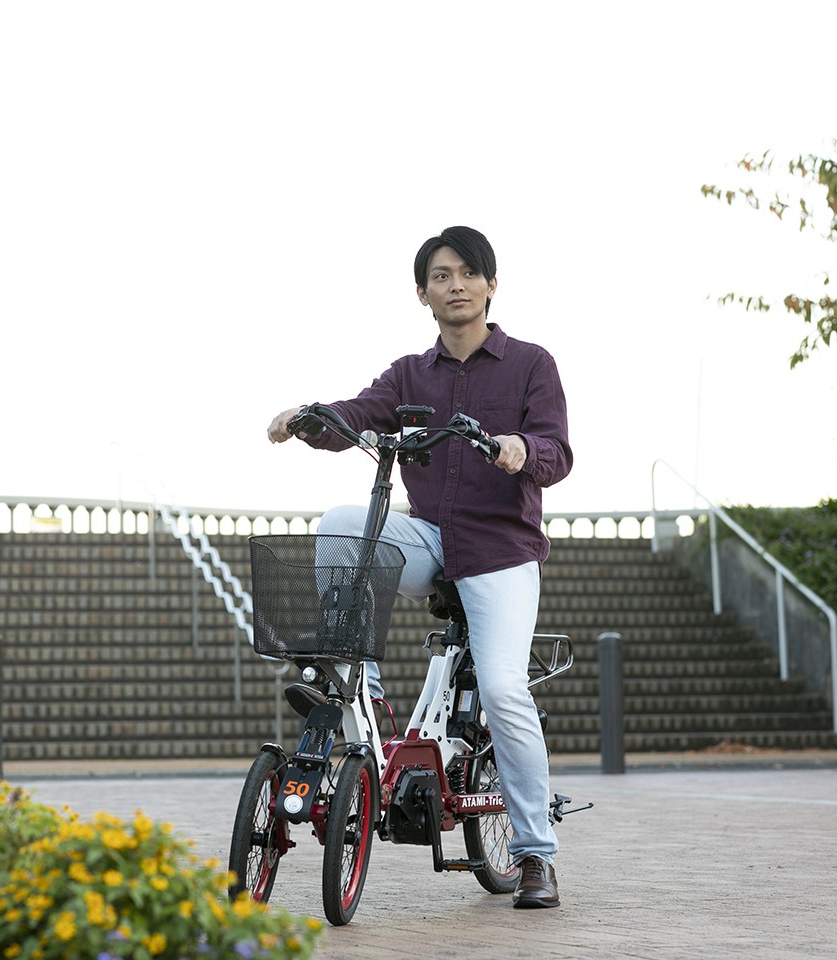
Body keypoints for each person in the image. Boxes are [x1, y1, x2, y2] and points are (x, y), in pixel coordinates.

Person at [266, 225, 572, 909]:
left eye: (468, 272)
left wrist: (523, 449)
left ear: (491, 284)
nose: (455, 284)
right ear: (422, 293)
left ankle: (534, 857)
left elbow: (556, 448)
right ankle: (362, 683)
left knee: (502, 692)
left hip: (501, 555)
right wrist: (307, 417)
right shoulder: (411, 373)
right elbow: (357, 413)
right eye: (441, 275)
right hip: (431, 539)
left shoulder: (530, 364)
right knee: (343, 521)